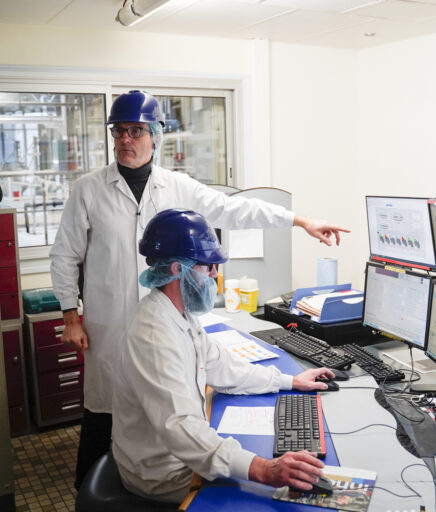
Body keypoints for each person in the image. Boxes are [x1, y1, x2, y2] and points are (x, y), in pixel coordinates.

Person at [50, 89, 349, 489]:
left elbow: (235, 209)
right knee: (106, 418)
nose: (125, 139)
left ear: (155, 135)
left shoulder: (176, 186)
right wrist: (71, 314)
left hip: (165, 309)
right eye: (119, 131)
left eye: (135, 131)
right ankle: (92, 493)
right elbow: (64, 255)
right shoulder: (88, 189)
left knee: (152, 418)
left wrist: (299, 220)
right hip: (111, 327)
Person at [112, 208, 334, 502]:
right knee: (270, 498)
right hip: (165, 472)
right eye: (209, 268)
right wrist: (264, 469)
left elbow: (223, 367)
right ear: (178, 269)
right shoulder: (153, 335)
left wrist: (290, 380)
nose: (216, 275)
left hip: (182, 455)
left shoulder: (178, 314)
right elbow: (181, 427)